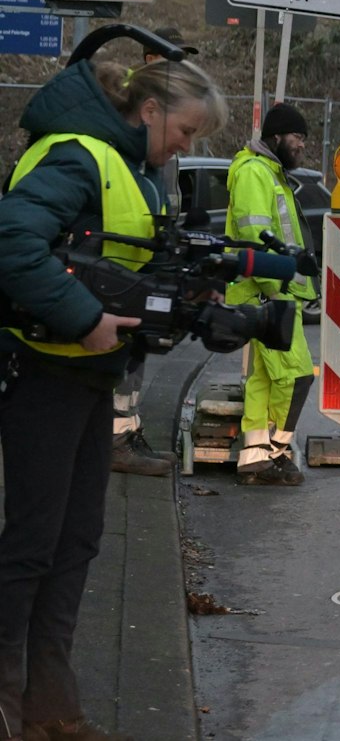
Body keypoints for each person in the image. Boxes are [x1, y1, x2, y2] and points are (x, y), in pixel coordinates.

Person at [0, 49, 226, 741]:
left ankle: (52, 708)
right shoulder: (79, 155)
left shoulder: (137, 171)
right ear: (150, 109)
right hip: (43, 369)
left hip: (86, 375)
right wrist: (84, 318)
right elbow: (12, 243)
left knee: (77, 541)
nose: (186, 146)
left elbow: (124, 265)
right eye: (185, 130)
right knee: (34, 543)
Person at [107, 28, 200, 479]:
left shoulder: (163, 110)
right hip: (133, 248)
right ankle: (117, 439)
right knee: (129, 342)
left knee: (138, 345)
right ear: (149, 57)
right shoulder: (137, 108)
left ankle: (125, 431)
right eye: (173, 59)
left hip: (151, 242)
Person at [226, 103, 320, 488]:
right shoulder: (254, 173)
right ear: (277, 136)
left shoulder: (271, 174)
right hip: (266, 293)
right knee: (297, 375)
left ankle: (254, 457)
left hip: (272, 292)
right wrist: (273, 290)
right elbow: (253, 237)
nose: (301, 146)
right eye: (297, 137)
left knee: (263, 379)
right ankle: (278, 452)